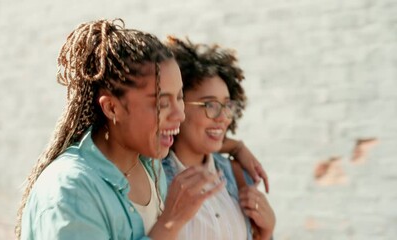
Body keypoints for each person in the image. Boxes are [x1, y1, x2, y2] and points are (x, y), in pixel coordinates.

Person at [15, 19, 225, 240]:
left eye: (180, 97)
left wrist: (237, 150)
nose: (179, 115)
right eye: (162, 103)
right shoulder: (69, 191)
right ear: (112, 107)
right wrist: (171, 223)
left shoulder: (149, 163)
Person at [162, 37, 276, 240]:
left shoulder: (238, 175)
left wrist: (266, 233)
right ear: (177, 105)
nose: (223, 117)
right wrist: (236, 147)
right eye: (210, 105)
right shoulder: (152, 177)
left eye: (227, 105)